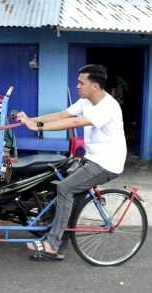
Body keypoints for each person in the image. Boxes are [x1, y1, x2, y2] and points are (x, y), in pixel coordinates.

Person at [16, 64, 127, 261]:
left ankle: (52, 244)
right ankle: (59, 249)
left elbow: (75, 123)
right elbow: (61, 115)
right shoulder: (86, 101)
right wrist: (30, 120)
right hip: (93, 158)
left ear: (94, 86)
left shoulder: (108, 107)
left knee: (65, 189)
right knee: (72, 198)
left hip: (107, 163)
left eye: (81, 83)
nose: (77, 86)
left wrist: (38, 128)